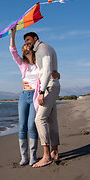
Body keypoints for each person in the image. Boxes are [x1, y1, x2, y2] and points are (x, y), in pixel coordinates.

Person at [9, 27, 59, 166]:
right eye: (24, 49)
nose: (26, 50)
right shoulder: (22, 65)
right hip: (24, 96)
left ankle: (33, 156)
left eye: (28, 48)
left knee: (32, 125)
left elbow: (49, 72)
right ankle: (24, 156)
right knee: (22, 126)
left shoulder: (39, 64)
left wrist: (57, 74)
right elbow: (13, 51)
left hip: (35, 96)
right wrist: (13, 34)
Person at [23, 32, 61, 168]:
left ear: (35, 38)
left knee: (39, 119)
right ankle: (54, 152)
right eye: (25, 41)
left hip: (49, 88)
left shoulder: (43, 49)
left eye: (28, 40)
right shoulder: (46, 48)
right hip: (52, 85)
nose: (27, 42)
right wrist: (57, 75)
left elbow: (46, 71)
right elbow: (51, 70)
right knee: (51, 120)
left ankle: (46, 156)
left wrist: (41, 92)